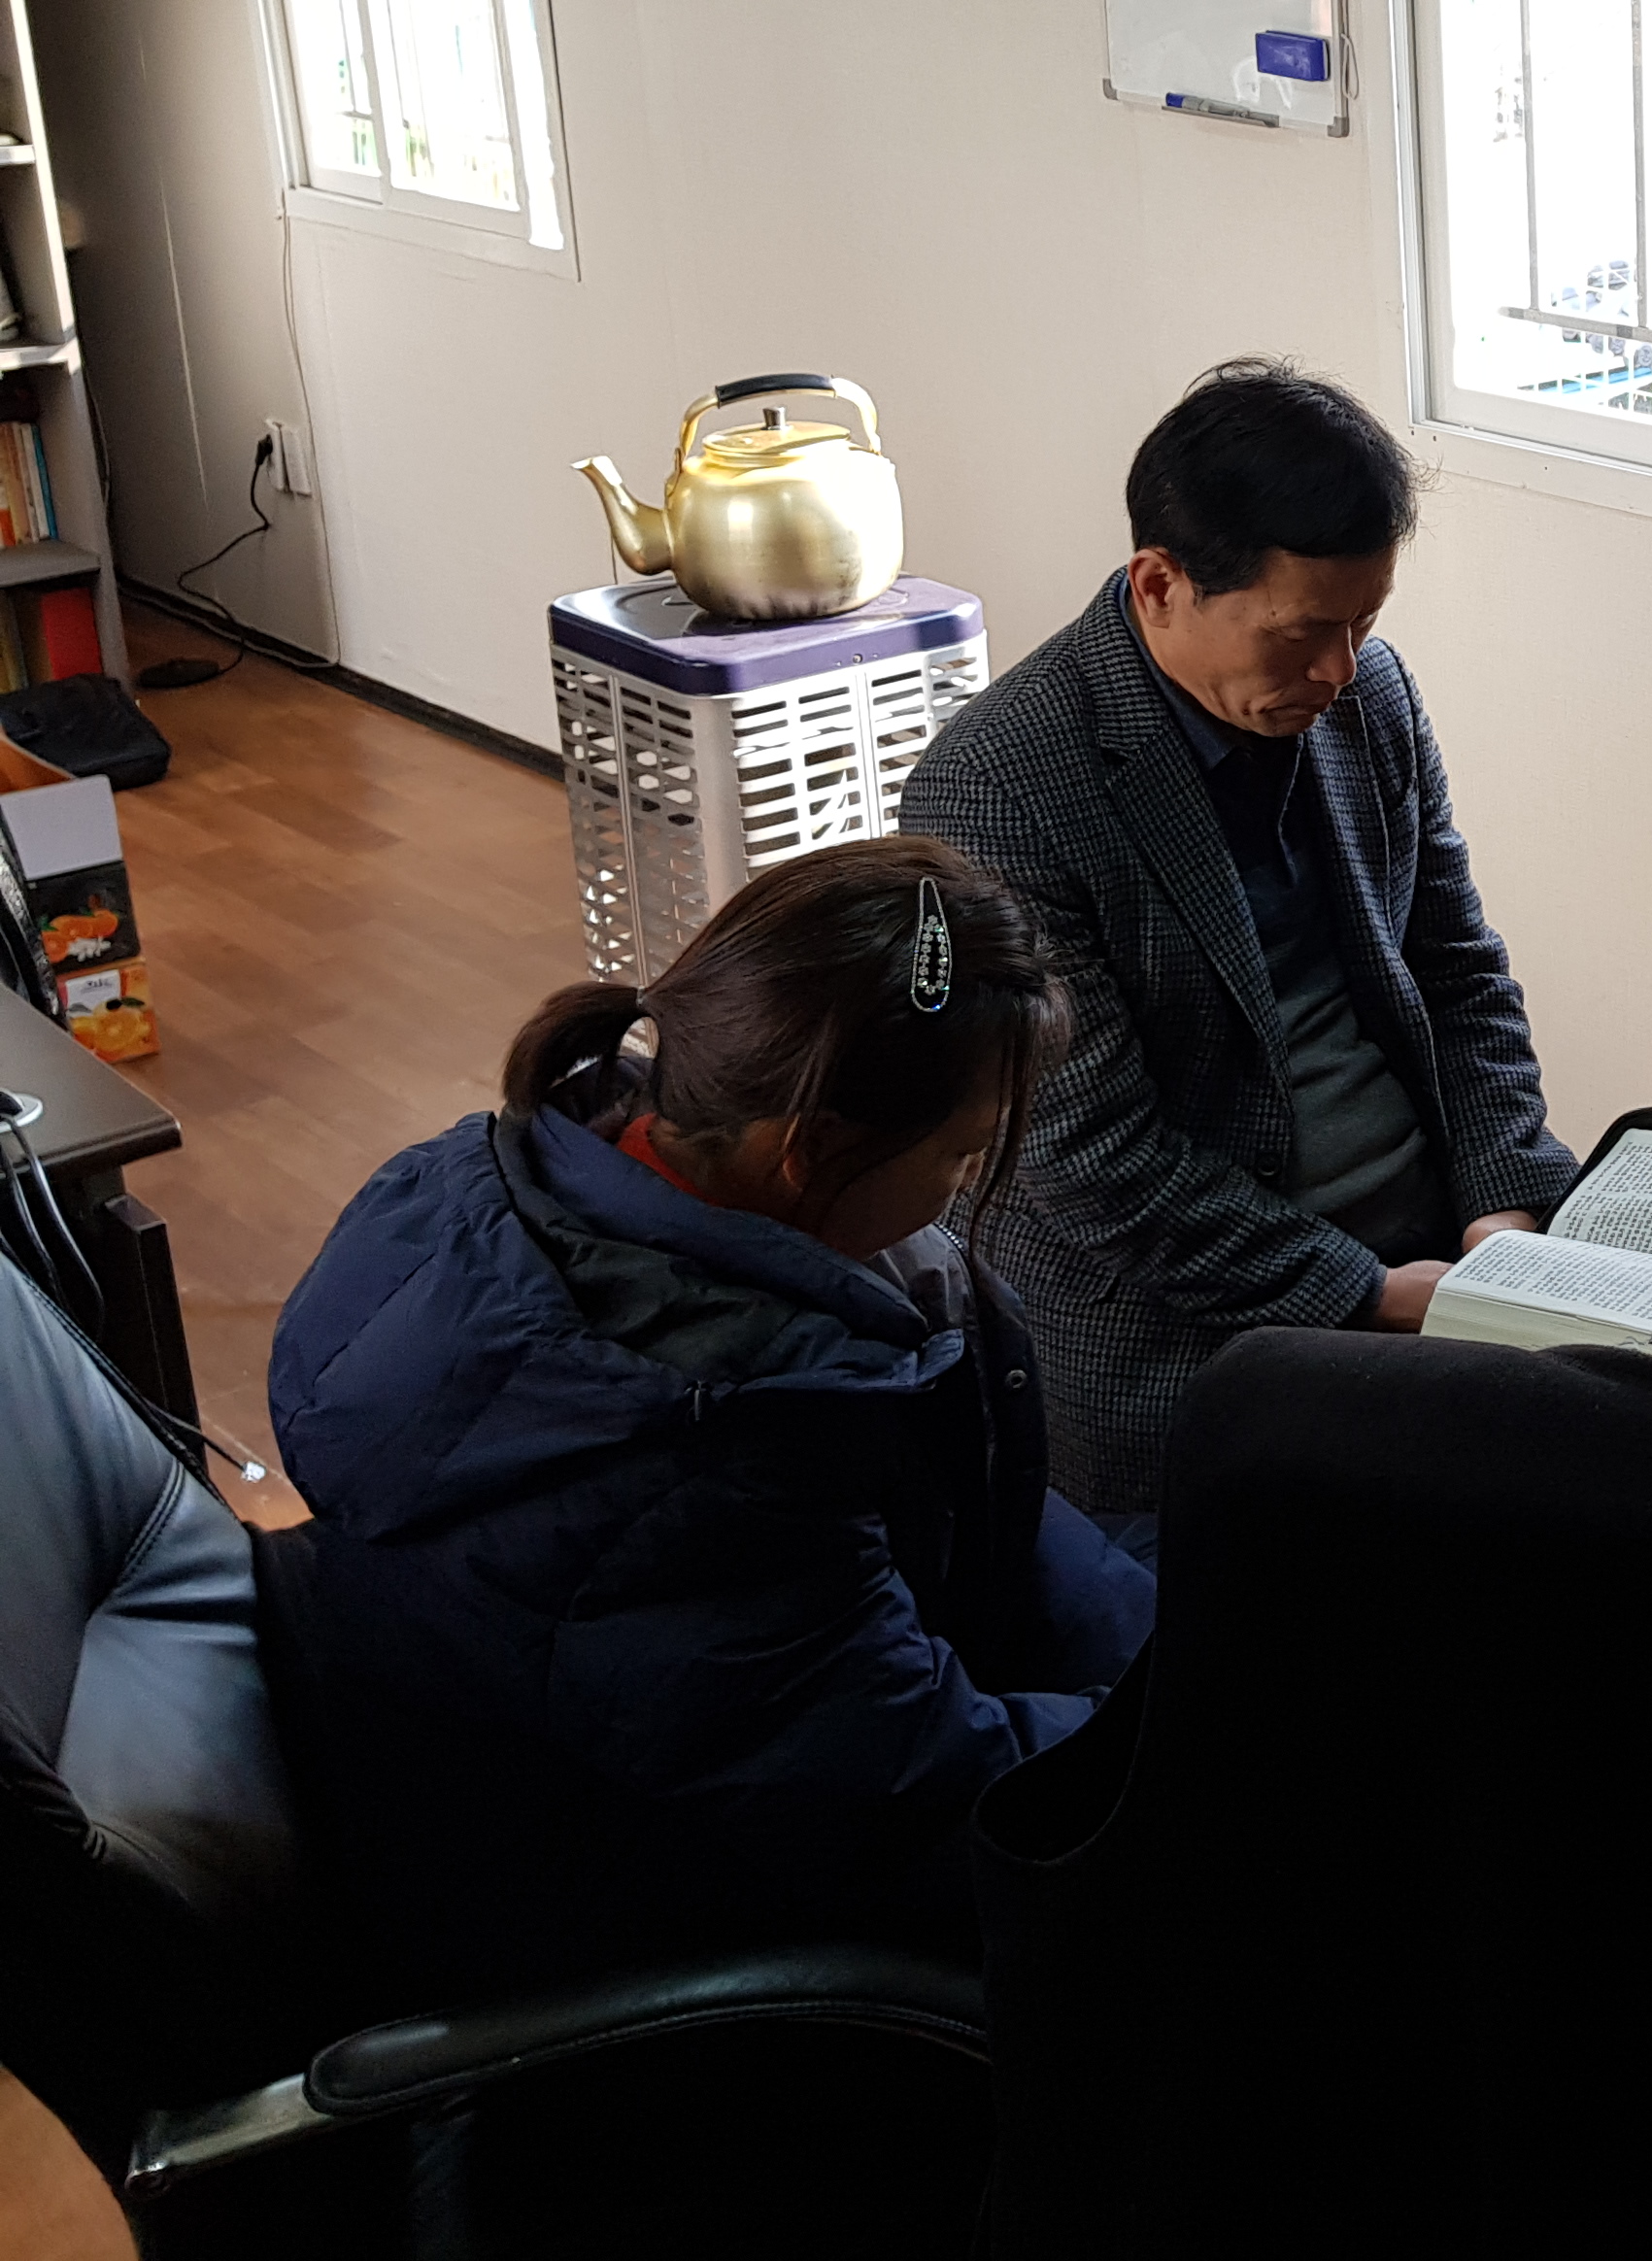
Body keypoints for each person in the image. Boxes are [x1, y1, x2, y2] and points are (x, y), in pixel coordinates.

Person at [266, 836, 1156, 1999]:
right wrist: (1190, 1739)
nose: (963, 1187)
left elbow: (987, 1514)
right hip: (647, 1923)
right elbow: (911, 1798)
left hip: (673, 1745)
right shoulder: (710, 1450)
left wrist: (1177, 1654)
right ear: (810, 1149)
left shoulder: (490, 1181)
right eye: (964, 1152)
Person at [901, 361, 1574, 1514]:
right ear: (1160, 584)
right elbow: (1097, 1167)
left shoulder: (1367, 695)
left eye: (1365, 623)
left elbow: (1459, 973)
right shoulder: (998, 789)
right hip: (1180, 1328)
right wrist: (1376, 1296)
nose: (1340, 669)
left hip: (1438, 1242)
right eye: (1304, 632)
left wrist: (1500, 1211)